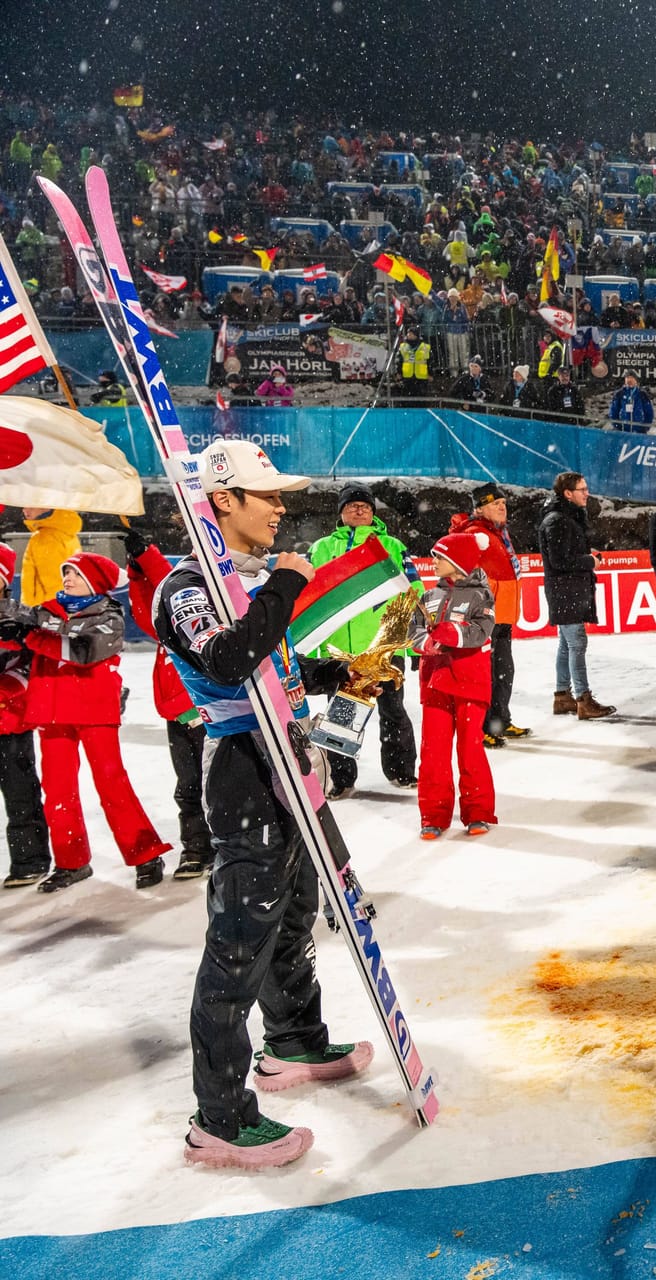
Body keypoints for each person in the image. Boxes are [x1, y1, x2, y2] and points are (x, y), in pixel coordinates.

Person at [153, 441, 370, 1169]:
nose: (281, 507)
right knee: (238, 942)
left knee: (294, 914)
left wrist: (331, 668)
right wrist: (283, 582)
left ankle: (295, 1041)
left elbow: (272, 661)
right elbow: (228, 659)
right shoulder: (186, 586)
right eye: (266, 495)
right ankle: (219, 1116)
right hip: (243, 769)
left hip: (287, 756)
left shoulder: (240, 580)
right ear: (222, 502)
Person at [0, 551, 170, 892]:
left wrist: (30, 635)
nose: (67, 579)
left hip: (93, 712)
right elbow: (24, 618)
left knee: (112, 784)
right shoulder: (49, 610)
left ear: (95, 582)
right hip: (51, 712)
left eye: (75, 574)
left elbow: (82, 650)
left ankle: (145, 854)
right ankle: (71, 861)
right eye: (65, 573)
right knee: (58, 790)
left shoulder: (108, 617)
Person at [305, 484, 421, 797]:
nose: (360, 510)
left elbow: (414, 591)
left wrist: (411, 641)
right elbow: (307, 597)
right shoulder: (321, 549)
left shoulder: (393, 546)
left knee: (393, 711)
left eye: (365, 506)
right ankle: (342, 780)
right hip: (340, 652)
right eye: (353, 505)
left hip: (383, 647)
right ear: (341, 512)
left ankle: (402, 772)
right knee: (341, 716)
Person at [125, 527, 215, 879]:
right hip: (177, 712)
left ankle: (224, 845)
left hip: (206, 705)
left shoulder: (198, 597)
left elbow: (170, 586)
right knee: (188, 786)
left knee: (215, 784)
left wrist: (148, 553)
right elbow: (146, 608)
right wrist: (136, 568)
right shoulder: (163, 618)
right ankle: (196, 848)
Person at [411, 533, 499, 840]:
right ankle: (433, 815)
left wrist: (448, 633)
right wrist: (428, 644)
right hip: (435, 683)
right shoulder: (428, 596)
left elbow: (479, 632)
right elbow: (415, 632)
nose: (433, 562)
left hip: (469, 683)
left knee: (469, 748)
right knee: (433, 751)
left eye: (439, 556)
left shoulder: (481, 595)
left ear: (458, 561)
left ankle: (478, 812)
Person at [447, 483, 529, 745]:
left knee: (504, 671)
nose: (502, 507)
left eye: (503, 503)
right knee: (486, 674)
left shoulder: (498, 533)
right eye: (495, 504)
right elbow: (460, 573)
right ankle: (482, 727)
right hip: (486, 616)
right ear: (479, 509)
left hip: (502, 614)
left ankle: (500, 720)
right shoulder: (475, 533)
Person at [536, 472, 615, 720]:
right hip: (566, 591)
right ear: (568, 493)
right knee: (576, 643)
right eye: (582, 489)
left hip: (568, 590)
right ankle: (583, 699)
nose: (587, 493)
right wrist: (589, 560)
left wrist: (585, 552)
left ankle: (562, 697)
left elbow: (563, 553)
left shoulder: (564, 518)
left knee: (566, 644)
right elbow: (559, 560)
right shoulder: (557, 520)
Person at [0, 547, 51, 890]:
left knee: (20, 793)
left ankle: (29, 859)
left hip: (9, 722)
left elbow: (30, 665)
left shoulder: (19, 617)